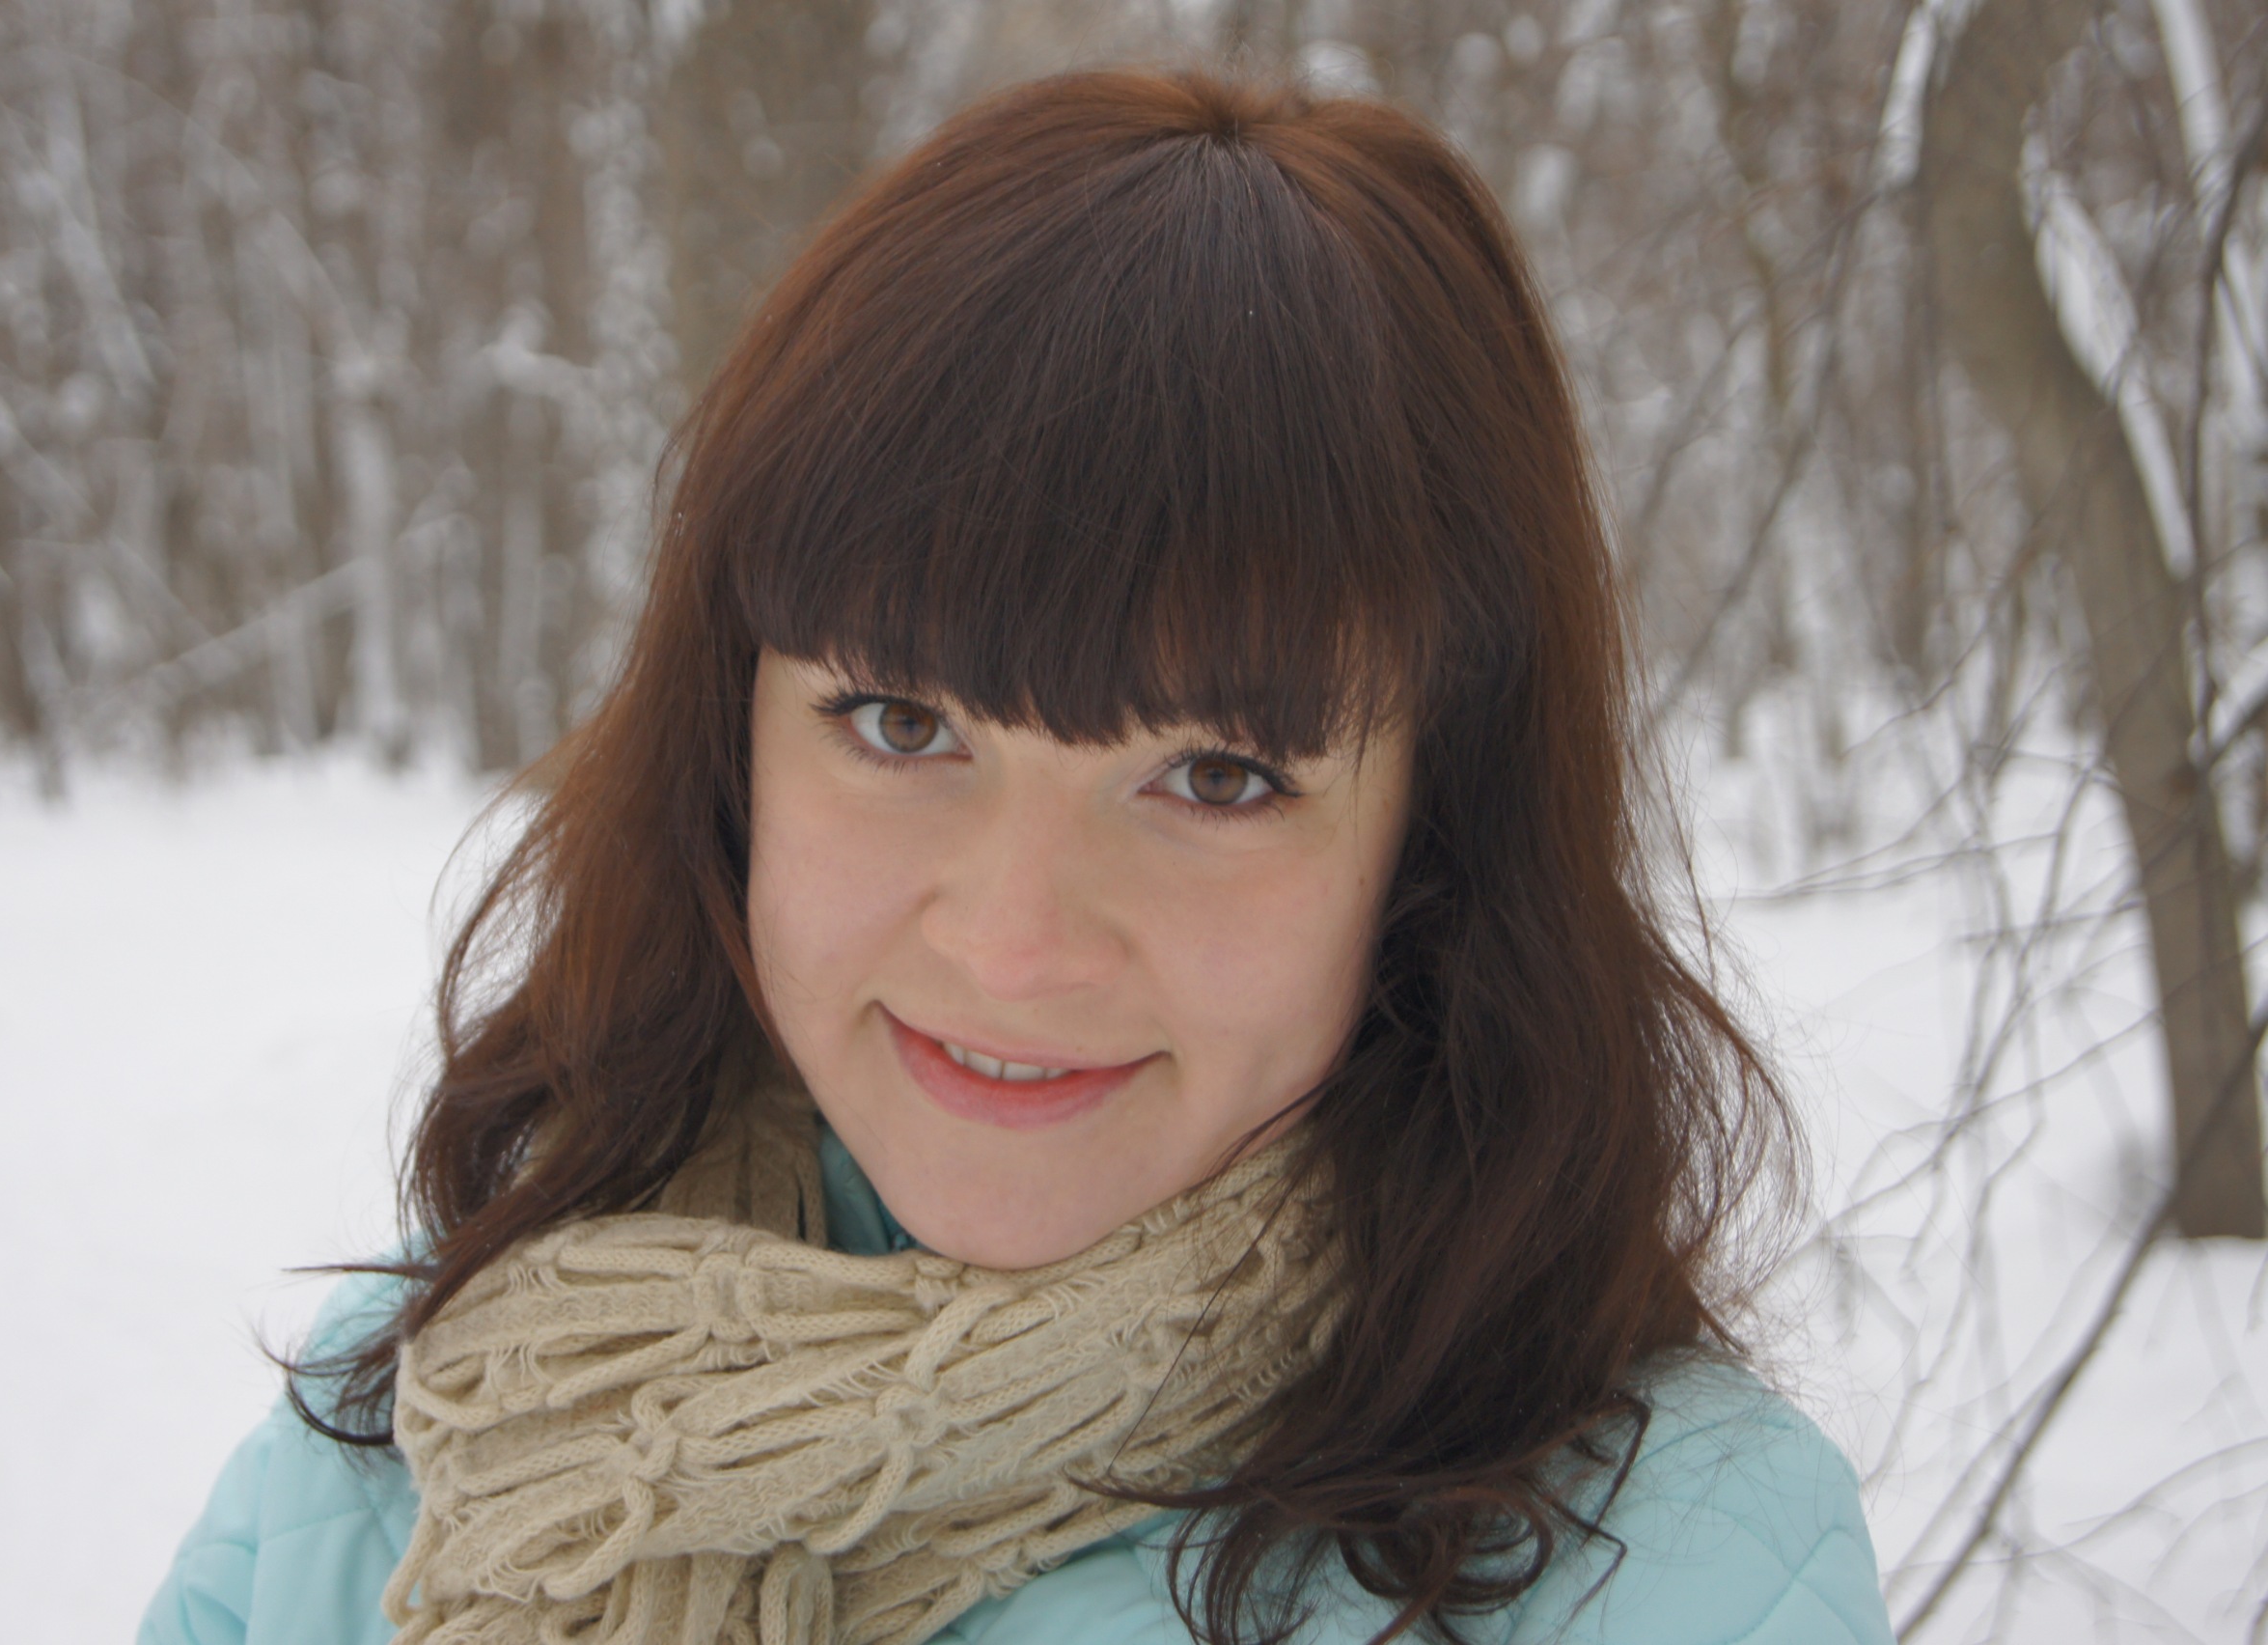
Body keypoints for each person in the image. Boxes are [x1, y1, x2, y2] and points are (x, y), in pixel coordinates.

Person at [142, 69, 1893, 1645]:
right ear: (729, 752)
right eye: (903, 725)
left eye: (1216, 776)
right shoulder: (429, 1422)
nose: (1013, 944)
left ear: (1435, 839)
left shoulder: (1660, 1566)